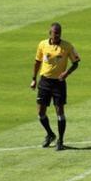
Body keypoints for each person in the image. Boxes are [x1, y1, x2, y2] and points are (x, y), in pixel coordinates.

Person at [30, 23, 80, 151]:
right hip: (45, 82)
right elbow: (37, 62)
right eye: (55, 32)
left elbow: (76, 63)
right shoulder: (42, 44)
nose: (57, 35)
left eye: (59, 33)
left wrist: (66, 73)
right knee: (41, 113)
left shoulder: (67, 46)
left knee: (60, 112)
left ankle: (60, 141)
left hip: (59, 83)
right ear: (50, 33)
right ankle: (50, 134)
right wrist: (34, 79)